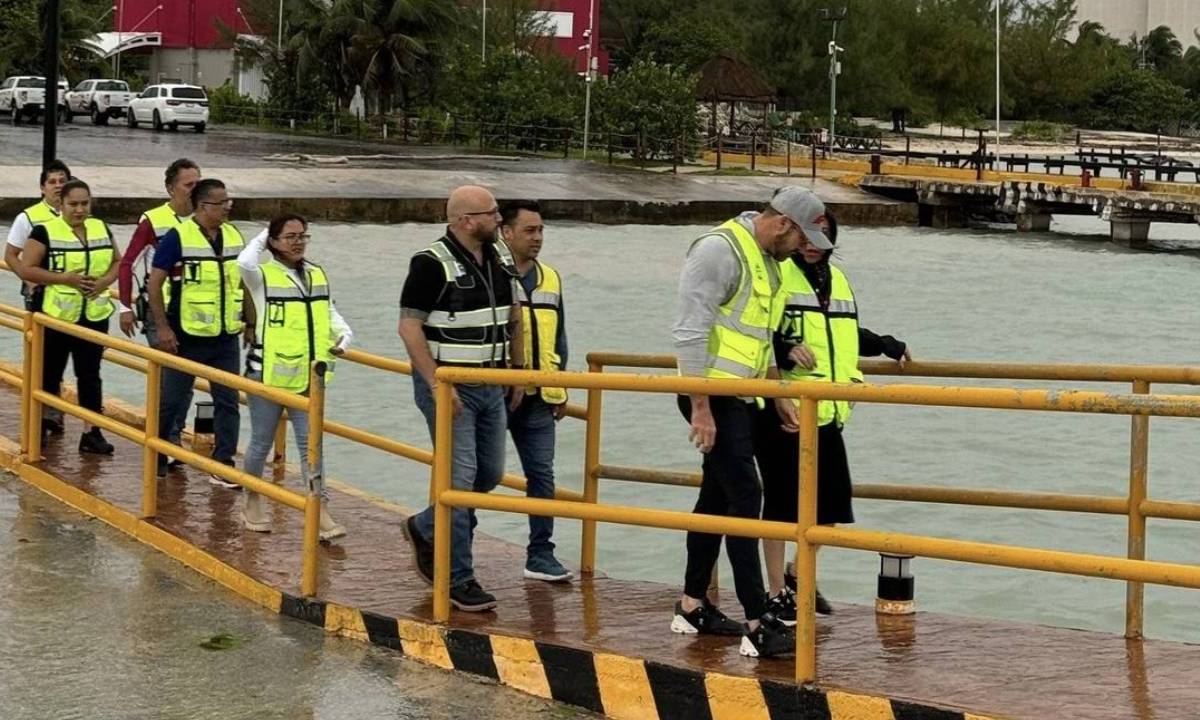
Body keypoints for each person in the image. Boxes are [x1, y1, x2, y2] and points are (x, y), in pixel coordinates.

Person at [669, 186, 819, 659]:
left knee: (715, 499)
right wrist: (700, 407)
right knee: (745, 496)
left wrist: (775, 394)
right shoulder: (719, 249)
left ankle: (692, 605)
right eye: (801, 239)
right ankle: (758, 621)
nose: (803, 250)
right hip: (712, 396)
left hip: (743, 396)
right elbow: (690, 329)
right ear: (782, 225)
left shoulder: (770, 262)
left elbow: (759, 338)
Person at [756, 208, 910, 621]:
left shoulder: (838, 281)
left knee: (831, 507)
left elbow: (842, 333)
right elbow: (755, 328)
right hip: (786, 406)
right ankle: (776, 592)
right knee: (781, 504)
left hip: (829, 411)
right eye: (805, 234)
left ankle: (796, 572)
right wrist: (785, 348)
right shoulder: (776, 274)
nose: (810, 243)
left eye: (820, 235)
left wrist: (887, 344)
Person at [399, 185, 524, 613]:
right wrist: (436, 385)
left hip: (491, 380)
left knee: (488, 474)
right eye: (491, 213)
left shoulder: (501, 256)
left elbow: (514, 315)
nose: (498, 220)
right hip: (450, 385)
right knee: (460, 480)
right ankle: (458, 577)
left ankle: (424, 525)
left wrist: (519, 371)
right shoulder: (431, 263)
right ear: (465, 221)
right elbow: (409, 328)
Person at [237, 214, 351, 540]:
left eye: (303, 235)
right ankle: (252, 498)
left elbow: (330, 312)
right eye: (289, 236)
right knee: (261, 441)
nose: (298, 242)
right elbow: (244, 261)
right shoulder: (261, 276)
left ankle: (320, 510)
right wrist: (267, 232)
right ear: (272, 242)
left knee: (310, 444)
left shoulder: (316, 273)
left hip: (308, 375)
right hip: (268, 374)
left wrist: (344, 336)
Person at [146, 178, 248, 483]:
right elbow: (154, 284)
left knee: (228, 401)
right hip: (186, 336)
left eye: (229, 201)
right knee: (171, 400)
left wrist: (251, 324)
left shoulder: (233, 236)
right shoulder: (178, 237)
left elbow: (244, 283)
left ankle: (224, 463)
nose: (228, 206)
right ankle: (158, 453)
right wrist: (163, 327)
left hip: (226, 336)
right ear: (204, 206)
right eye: (222, 202)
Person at [499, 200, 572, 583]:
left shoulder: (551, 278)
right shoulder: (490, 275)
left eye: (541, 230)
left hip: (541, 396)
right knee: (479, 473)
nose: (538, 238)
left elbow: (559, 337)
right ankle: (448, 540)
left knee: (542, 475)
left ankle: (541, 553)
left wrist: (562, 387)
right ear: (506, 233)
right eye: (529, 230)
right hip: (497, 393)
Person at [19, 179, 120, 453]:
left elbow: (117, 261)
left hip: (93, 315)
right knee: (49, 374)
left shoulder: (100, 228)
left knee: (90, 375)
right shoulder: (45, 232)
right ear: (61, 204)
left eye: (84, 203)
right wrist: (64, 279)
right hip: (56, 317)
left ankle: (92, 432)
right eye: (73, 204)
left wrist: (104, 282)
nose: (79, 209)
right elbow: (27, 269)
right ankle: (39, 426)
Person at [117, 158, 202, 465]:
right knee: (171, 379)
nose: (194, 190)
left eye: (198, 183)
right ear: (171, 188)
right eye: (188, 184)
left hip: (195, 315)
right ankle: (164, 441)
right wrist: (125, 306)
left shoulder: (207, 220)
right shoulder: (153, 221)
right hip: (159, 312)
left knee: (186, 379)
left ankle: (173, 436)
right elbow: (127, 263)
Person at [5, 160, 71, 308]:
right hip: (40, 292)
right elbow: (10, 255)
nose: (58, 185)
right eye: (52, 182)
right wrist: (29, 281)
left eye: (62, 181)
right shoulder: (28, 217)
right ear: (43, 188)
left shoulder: (79, 215)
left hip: (72, 292)